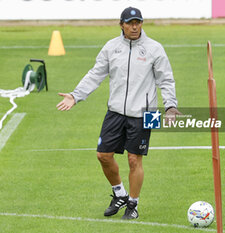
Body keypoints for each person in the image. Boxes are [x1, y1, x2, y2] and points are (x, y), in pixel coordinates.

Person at [56, 7, 180, 220]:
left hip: (145, 113)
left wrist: (170, 106)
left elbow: (166, 80)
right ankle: (120, 194)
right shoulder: (111, 47)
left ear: (142, 23)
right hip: (115, 111)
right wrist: (76, 96)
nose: (134, 27)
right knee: (103, 156)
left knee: (134, 160)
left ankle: (133, 203)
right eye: (130, 23)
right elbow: (95, 74)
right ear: (121, 24)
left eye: (138, 22)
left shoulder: (154, 48)